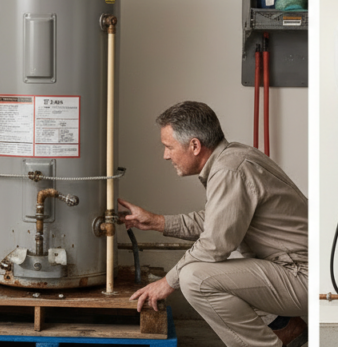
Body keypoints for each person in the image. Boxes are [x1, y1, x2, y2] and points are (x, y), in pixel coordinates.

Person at [118, 101, 308, 347]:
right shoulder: (233, 158)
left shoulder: (230, 170)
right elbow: (216, 220)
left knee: (194, 278)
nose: (165, 155)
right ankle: (286, 327)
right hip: (292, 269)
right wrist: (156, 222)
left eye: (169, 147)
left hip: (302, 275)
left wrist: (167, 282)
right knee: (203, 272)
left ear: (194, 145)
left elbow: (215, 245)